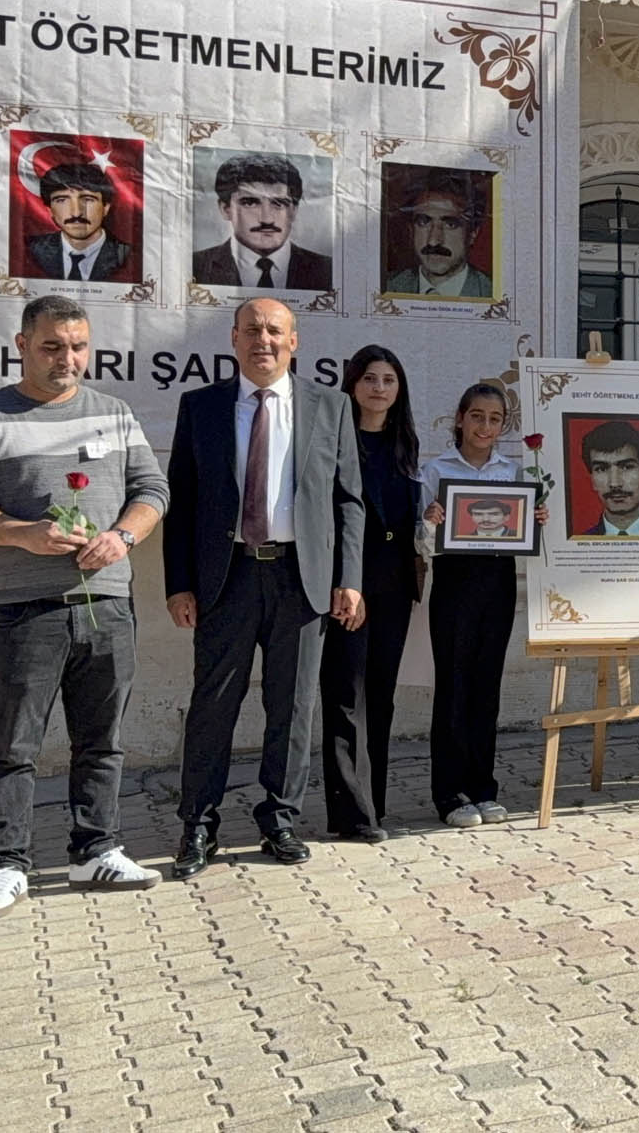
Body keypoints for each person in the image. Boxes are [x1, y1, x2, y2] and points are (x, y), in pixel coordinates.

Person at [0, 296, 168, 919]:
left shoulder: (115, 414)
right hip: (22, 607)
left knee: (102, 740)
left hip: (107, 603)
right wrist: (21, 533)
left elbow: (152, 490)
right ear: (22, 345)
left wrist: (122, 537)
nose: (69, 359)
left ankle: (96, 850)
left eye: (79, 347)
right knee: (14, 744)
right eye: (53, 347)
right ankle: (7, 865)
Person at [163, 298, 364, 879]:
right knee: (213, 706)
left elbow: (348, 502)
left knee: (293, 707)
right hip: (225, 577)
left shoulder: (331, 406)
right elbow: (183, 503)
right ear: (233, 339)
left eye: (275, 331)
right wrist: (179, 584)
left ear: (294, 342)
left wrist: (348, 578)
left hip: (301, 580)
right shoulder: (200, 407)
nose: (264, 340)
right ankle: (197, 824)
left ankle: (280, 818)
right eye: (252, 330)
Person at [421, 382, 541, 827]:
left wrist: (535, 519)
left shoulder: (511, 474)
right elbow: (423, 545)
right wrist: (430, 521)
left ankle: (483, 789)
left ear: (503, 425)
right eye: (477, 416)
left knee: (486, 688)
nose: (485, 426)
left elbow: (521, 534)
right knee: (454, 688)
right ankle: (450, 795)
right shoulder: (435, 470)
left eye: (494, 419)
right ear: (460, 418)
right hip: (453, 585)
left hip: (498, 584)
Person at [317, 345, 421, 844]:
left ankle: (372, 805)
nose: (379, 388)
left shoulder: (405, 445)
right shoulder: (335, 440)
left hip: (395, 583)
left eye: (389, 380)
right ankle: (349, 813)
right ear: (353, 385)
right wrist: (344, 580)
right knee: (344, 695)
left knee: (380, 696)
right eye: (370, 379)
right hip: (348, 583)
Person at [192, 153, 333, 290]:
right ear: (225, 209)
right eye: (250, 203)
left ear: (294, 210)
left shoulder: (329, 270)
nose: (267, 219)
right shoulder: (194, 266)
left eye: (279, 203)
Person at [382, 171, 494, 298]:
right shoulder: (385, 287)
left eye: (451, 225)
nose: (433, 241)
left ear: (473, 233)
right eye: (423, 222)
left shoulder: (493, 293)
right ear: (411, 229)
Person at [24, 162, 135, 283]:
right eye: (62, 200)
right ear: (50, 210)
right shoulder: (28, 250)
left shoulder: (129, 256)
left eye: (88, 199)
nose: (76, 213)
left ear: (105, 208)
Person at [575, 420, 639, 537]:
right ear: (592, 480)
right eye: (601, 469)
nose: (614, 483)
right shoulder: (580, 541)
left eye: (626, 467)